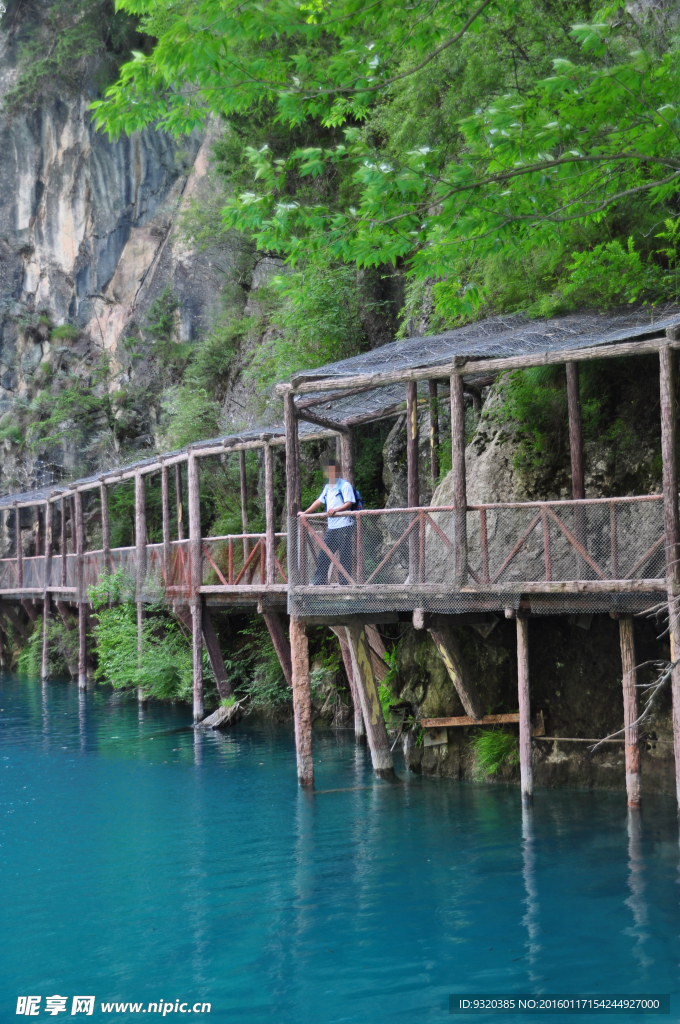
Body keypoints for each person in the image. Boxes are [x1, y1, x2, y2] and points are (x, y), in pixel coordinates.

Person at [301, 457, 355, 584]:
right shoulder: (327, 488)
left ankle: (345, 584)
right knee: (324, 555)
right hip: (332, 527)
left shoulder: (345, 485)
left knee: (345, 556)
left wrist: (336, 510)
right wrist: (305, 513)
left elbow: (349, 503)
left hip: (344, 526)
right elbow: (319, 501)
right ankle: (318, 582)